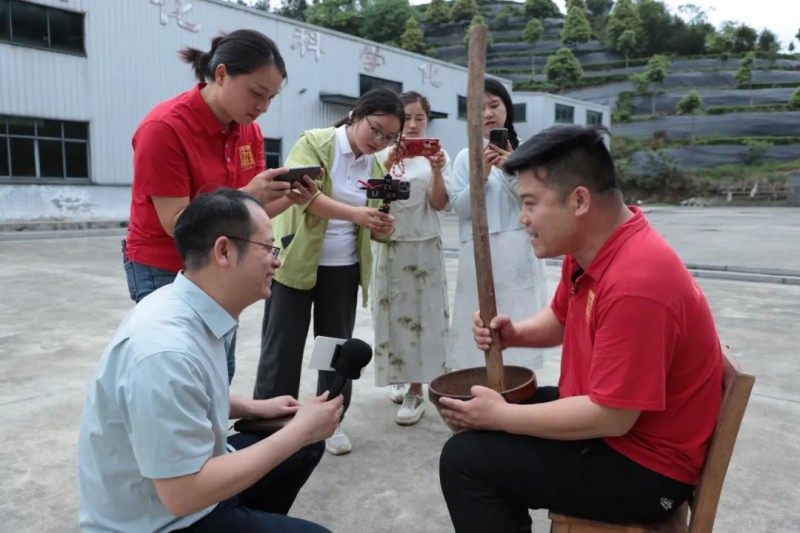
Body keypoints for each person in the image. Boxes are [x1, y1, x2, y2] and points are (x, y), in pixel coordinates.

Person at [437, 125, 724, 532]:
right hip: (615, 425)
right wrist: (515, 334)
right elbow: (560, 317)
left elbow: (612, 417)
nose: (523, 218)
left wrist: (502, 417)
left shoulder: (637, 282)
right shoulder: (595, 247)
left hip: (645, 466)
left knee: (466, 461)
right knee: (488, 430)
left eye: (530, 203)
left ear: (579, 200)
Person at [78, 188, 342, 532]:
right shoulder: (165, 352)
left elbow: (190, 395)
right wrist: (299, 431)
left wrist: (255, 408)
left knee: (305, 446)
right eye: (268, 248)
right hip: (162, 520)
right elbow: (182, 495)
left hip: (188, 492)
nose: (276, 261)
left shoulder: (190, 305)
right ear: (224, 250)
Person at [122, 29, 315, 382]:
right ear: (222, 74)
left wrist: (289, 198)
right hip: (166, 265)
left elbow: (248, 214)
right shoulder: (164, 128)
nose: (263, 107)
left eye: (271, 98)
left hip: (221, 264)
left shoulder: (249, 131)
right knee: (178, 368)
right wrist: (248, 194)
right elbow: (177, 223)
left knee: (218, 369)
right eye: (256, 93)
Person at [254, 88, 402, 455]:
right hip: (296, 261)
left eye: (389, 137)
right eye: (375, 129)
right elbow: (305, 196)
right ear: (356, 115)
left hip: (343, 266)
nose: (379, 141)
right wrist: (357, 214)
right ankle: (270, 423)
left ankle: (329, 420)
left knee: (336, 351)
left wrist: (383, 226)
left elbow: (375, 219)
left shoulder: (377, 165)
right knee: (282, 347)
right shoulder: (316, 143)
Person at [446, 78, 548, 372]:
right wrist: (481, 175)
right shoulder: (465, 156)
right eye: (480, 108)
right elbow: (461, 208)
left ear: (507, 108)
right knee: (479, 321)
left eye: (494, 105)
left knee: (519, 318)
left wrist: (510, 168)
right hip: (479, 250)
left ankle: (520, 380)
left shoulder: (528, 152)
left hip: (520, 248)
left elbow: (538, 201)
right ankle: (479, 380)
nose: (488, 113)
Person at [371, 91, 451, 425]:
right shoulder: (379, 153)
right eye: (406, 117)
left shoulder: (437, 156)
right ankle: (399, 376)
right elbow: (369, 196)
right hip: (390, 246)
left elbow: (439, 204)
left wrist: (436, 170)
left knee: (423, 319)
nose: (413, 124)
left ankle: (417, 390)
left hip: (424, 246)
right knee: (390, 316)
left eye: (420, 117)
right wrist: (387, 164)